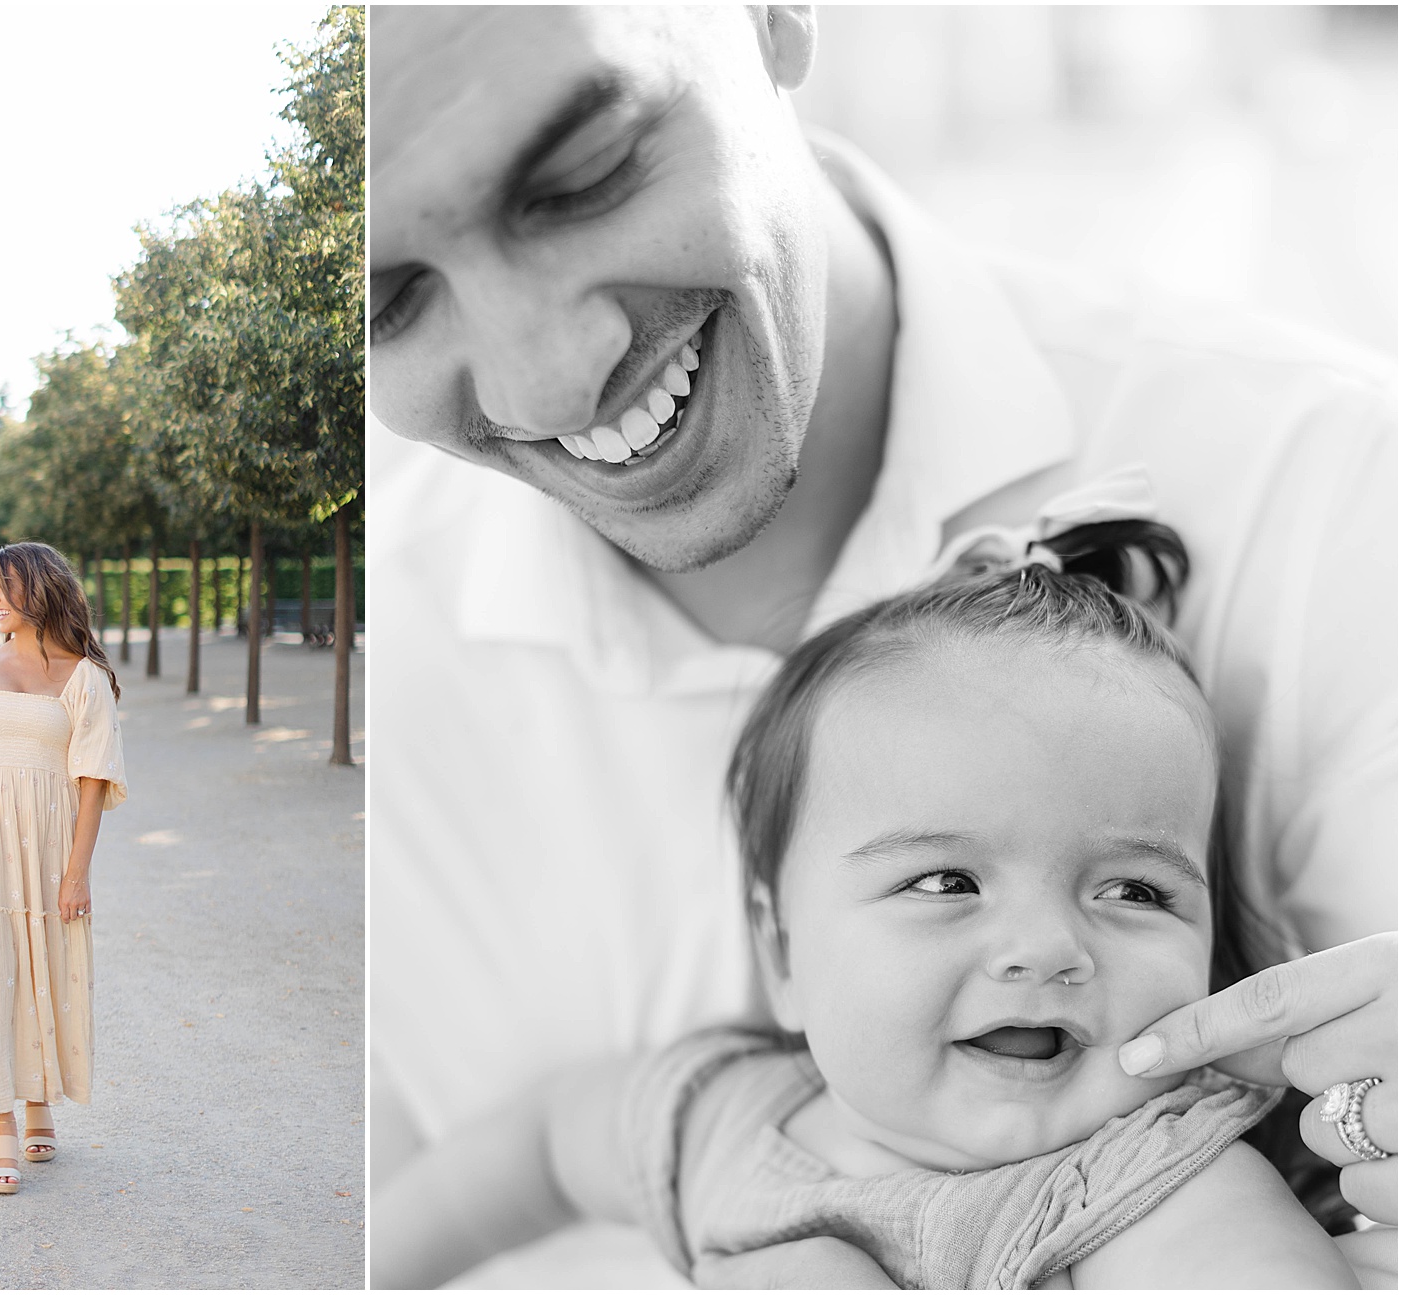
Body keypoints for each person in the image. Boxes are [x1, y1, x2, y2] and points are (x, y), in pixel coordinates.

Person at [367, 5, 1395, 1284]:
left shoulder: (1342, 498)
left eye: (587, 175)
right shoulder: (384, 684)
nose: (549, 381)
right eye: (391, 302)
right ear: (776, 946)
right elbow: (490, 1172)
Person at [375, 521, 1360, 1289]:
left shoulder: (1151, 1189)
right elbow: (534, 1153)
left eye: (1135, 890)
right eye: (945, 881)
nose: (1045, 947)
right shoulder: (717, 1116)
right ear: (783, 952)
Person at [0, 541, 126, 1194]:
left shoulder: (84, 677)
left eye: (2, 585)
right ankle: (1, 1120)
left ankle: (40, 1099)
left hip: (48, 842)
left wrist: (77, 872)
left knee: (44, 968)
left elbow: (92, 780)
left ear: (36, 592)